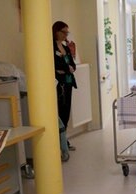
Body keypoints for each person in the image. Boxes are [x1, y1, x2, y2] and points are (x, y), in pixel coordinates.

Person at [52, 21, 77, 151]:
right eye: (64, 32)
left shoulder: (66, 47)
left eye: (67, 32)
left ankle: (64, 141)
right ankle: (57, 144)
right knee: (59, 114)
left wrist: (67, 69)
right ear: (56, 31)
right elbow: (56, 66)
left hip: (68, 84)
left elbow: (73, 66)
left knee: (66, 113)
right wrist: (66, 68)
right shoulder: (50, 48)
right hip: (58, 85)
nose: (65, 35)